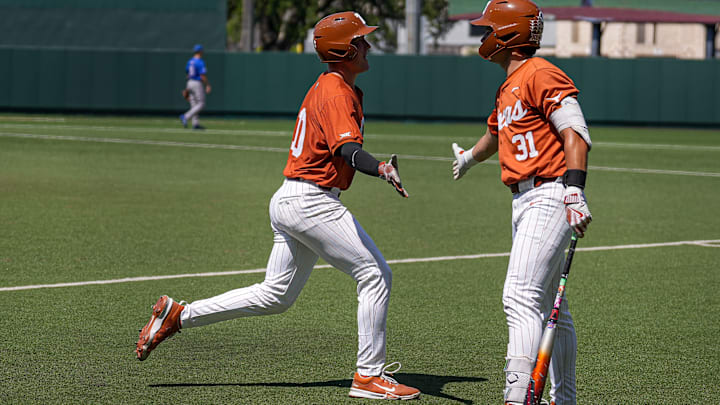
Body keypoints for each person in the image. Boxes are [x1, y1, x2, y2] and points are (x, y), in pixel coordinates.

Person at [136, 11, 421, 401]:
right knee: (375, 274)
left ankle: (180, 315)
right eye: (360, 41)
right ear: (344, 50)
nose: (368, 46)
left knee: (276, 295)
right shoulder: (336, 90)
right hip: (312, 201)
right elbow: (347, 150)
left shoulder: (331, 86)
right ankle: (369, 377)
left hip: (292, 197)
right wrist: (381, 168)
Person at [450, 1, 592, 404]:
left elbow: (575, 132)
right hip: (525, 199)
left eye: (488, 29)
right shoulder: (508, 85)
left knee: (519, 295)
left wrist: (575, 188)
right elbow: (495, 135)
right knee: (549, 308)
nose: (483, 36)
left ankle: (518, 396)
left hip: (550, 192)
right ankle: (564, 399)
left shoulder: (541, 72)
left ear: (508, 35)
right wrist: (468, 158)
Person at [180, 44, 211, 130]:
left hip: (189, 82)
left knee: (194, 104)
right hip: (197, 82)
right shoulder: (199, 61)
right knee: (201, 104)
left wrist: (187, 88)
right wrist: (207, 85)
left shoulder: (190, 61)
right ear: (200, 51)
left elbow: (187, 74)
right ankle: (185, 116)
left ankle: (195, 124)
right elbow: (202, 75)